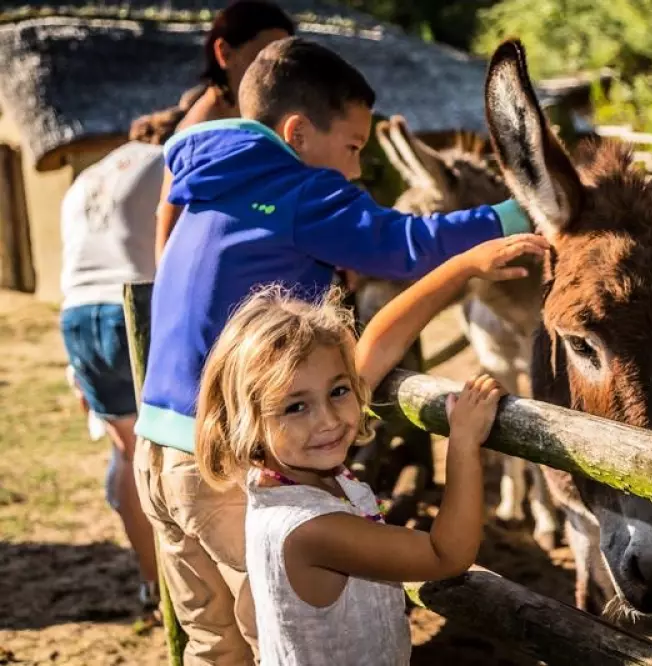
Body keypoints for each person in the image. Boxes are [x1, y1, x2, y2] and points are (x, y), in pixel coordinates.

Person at [132, 36, 533, 665]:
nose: (355, 172)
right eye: (351, 148)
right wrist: (513, 215)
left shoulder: (214, 182)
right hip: (222, 463)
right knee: (278, 633)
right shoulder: (297, 189)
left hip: (159, 449)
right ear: (296, 133)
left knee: (213, 641)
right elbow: (402, 243)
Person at [195, 231, 546, 665]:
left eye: (339, 391)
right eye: (296, 405)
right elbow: (446, 554)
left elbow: (380, 343)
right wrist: (462, 442)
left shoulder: (280, 470)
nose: (327, 419)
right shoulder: (311, 529)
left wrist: (464, 266)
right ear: (248, 422)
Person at [59, 87, 201, 615]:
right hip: (132, 310)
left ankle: (154, 585)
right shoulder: (170, 162)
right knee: (171, 451)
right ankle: (192, 585)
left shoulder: (91, 175)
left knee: (127, 453)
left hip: (76, 315)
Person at [154, 0, 296, 262]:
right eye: (262, 58)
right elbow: (170, 214)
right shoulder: (200, 131)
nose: (276, 74)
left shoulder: (254, 122)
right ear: (224, 53)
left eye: (282, 61)